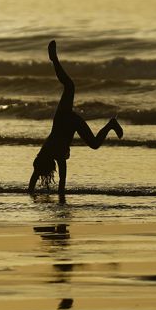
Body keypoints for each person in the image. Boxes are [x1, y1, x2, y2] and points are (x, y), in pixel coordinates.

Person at [28, 40, 123, 202]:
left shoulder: (51, 153)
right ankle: (111, 124)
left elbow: (45, 177)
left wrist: (41, 191)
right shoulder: (49, 153)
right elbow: (40, 176)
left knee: (70, 86)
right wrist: (58, 194)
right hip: (69, 120)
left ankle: (54, 60)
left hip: (66, 118)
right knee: (93, 143)